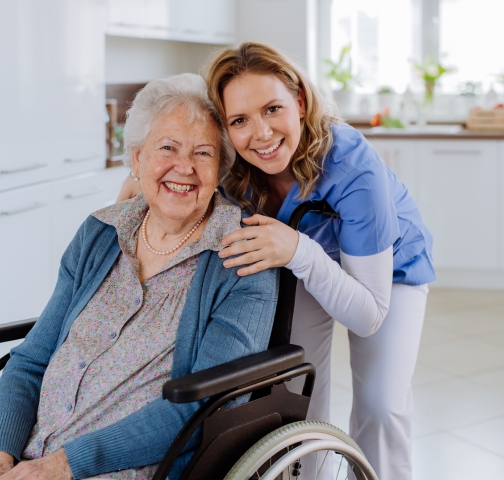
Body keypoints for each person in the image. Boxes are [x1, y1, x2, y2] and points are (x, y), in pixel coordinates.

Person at [0, 73, 279, 480]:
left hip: (127, 466)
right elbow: (30, 362)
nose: (183, 167)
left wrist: (63, 465)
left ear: (220, 169)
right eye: (167, 147)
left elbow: (203, 407)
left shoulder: (241, 258)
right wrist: (4, 448)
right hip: (30, 452)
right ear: (137, 159)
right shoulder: (100, 232)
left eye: (202, 153)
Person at [203, 42, 436, 480]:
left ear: (301, 101)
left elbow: (368, 315)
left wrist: (299, 251)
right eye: (239, 120)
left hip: (390, 270)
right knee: (297, 396)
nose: (261, 133)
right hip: (297, 260)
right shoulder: (232, 168)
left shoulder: (351, 164)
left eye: (273, 109)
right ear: (224, 129)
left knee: (382, 406)